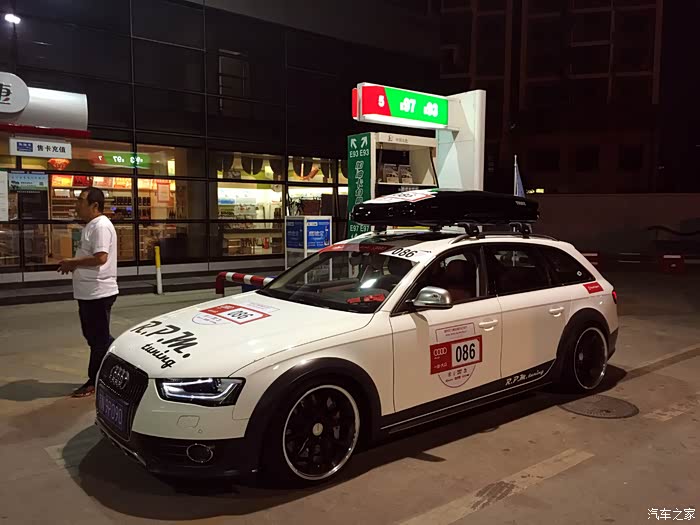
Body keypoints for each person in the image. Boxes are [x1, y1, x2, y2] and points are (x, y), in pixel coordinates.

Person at [57, 187, 119, 398]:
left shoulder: (101, 226)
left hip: (98, 292)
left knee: (98, 340)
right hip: (89, 292)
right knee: (95, 337)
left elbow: (101, 257)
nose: (77, 205)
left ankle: (94, 381)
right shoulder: (92, 225)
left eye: (81, 201)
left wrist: (73, 262)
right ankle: (120, 357)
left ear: (94, 205)